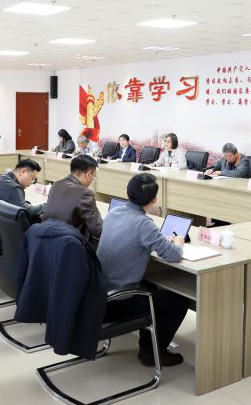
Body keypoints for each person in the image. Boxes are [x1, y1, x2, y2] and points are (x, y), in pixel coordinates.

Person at [97, 173, 188, 367]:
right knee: (177, 301)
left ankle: (148, 347)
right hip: (119, 300)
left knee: (153, 288)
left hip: (100, 292)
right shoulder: (144, 223)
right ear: (154, 200)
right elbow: (174, 255)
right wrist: (179, 242)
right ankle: (153, 353)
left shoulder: (114, 213)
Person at [43, 155, 103, 240]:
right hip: (68, 244)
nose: (92, 180)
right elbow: (98, 230)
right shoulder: (85, 193)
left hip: (46, 239)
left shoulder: (56, 184)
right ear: (89, 174)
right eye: (93, 177)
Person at [0, 158, 45, 235]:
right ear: (23, 172)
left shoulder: (1, 177)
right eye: (32, 178)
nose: (32, 182)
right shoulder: (13, 187)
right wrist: (44, 205)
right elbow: (27, 211)